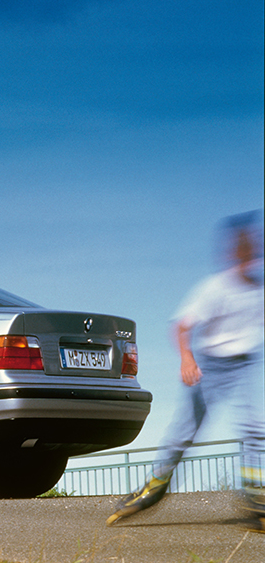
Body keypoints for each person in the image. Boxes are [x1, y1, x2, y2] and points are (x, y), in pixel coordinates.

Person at [106, 212, 265, 529]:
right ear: (235, 253)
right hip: (210, 366)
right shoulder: (216, 287)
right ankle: (152, 489)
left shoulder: (259, 289)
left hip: (244, 363)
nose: (252, 257)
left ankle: (255, 496)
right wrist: (187, 360)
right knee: (184, 435)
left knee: (254, 428)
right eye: (245, 250)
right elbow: (181, 326)